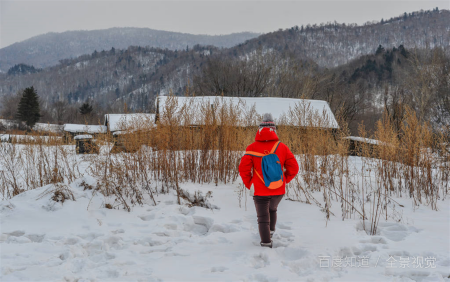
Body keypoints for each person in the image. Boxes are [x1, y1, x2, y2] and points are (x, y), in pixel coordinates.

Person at [238, 113, 299, 248]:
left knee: (262, 218)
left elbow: (243, 169)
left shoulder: (251, 147)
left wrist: (250, 184)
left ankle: (266, 243)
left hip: (259, 189)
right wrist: (284, 180)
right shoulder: (282, 147)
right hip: (278, 188)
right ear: (274, 130)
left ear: (259, 130)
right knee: (273, 209)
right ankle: (271, 232)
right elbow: (294, 167)